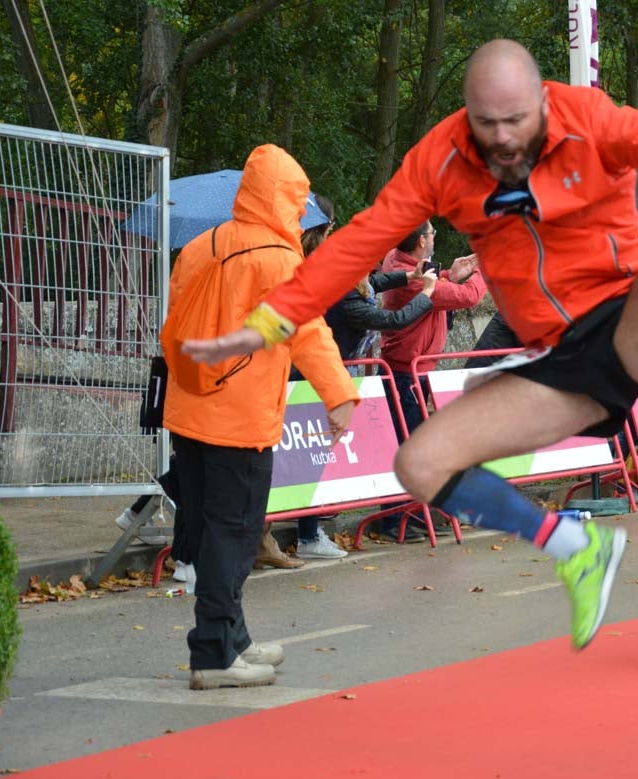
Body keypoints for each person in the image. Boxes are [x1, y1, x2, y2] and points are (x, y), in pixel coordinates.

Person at [179, 39, 638, 652]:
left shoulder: (588, 118)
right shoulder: (441, 158)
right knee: (420, 465)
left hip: (628, 326)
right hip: (558, 358)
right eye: (488, 123)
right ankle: (576, 548)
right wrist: (271, 322)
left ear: (544, 100)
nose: (505, 137)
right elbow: (357, 243)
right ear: (466, 115)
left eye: (517, 120)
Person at [162, 144, 358, 690]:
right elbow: (309, 332)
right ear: (288, 199)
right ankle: (215, 654)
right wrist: (339, 395)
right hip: (239, 419)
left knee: (210, 531)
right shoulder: (278, 257)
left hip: (190, 408)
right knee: (235, 534)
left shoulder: (203, 245)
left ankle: (234, 639)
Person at [288, 197, 439, 558]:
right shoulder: (341, 292)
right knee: (312, 458)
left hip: (338, 374)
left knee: (319, 457)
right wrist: (428, 293)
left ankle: (310, 527)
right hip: (321, 378)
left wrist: (408, 276)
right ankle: (308, 534)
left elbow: (372, 281)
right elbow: (393, 321)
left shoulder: (349, 278)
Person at [376, 221, 484, 541]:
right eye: (433, 234)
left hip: (413, 368)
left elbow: (441, 287)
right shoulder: (413, 278)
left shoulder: (403, 263)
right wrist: (484, 273)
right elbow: (466, 298)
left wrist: (452, 272)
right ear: (422, 240)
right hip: (406, 371)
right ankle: (394, 519)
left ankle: (409, 513)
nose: (435, 238)